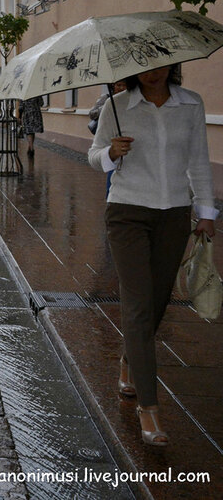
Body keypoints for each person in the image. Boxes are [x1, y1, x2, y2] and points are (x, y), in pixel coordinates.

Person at [88, 65, 217, 447]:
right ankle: (149, 408)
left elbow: (198, 161)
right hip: (127, 211)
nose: (154, 73)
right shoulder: (116, 105)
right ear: (134, 70)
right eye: (145, 67)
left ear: (172, 66)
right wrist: (110, 153)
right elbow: (93, 157)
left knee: (159, 300)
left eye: (161, 65)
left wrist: (206, 213)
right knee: (139, 305)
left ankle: (130, 359)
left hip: (174, 215)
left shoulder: (190, 103)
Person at [88, 81, 128, 196]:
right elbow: (92, 113)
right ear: (113, 86)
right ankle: (110, 194)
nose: (121, 88)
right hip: (110, 143)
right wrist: (107, 106)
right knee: (113, 168)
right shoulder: (106, 98)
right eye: (118, 85)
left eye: (124, 85)